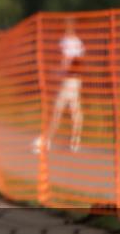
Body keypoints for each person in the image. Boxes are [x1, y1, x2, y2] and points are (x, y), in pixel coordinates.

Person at [33, 18, 85, 155]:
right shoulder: (76, 43)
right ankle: (74, 142)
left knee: (59, 109)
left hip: (70, 80)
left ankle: (47, 141)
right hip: (73, 80)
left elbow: (68, 61)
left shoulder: (69, 42)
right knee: (74, 111)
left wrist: (58, 72)